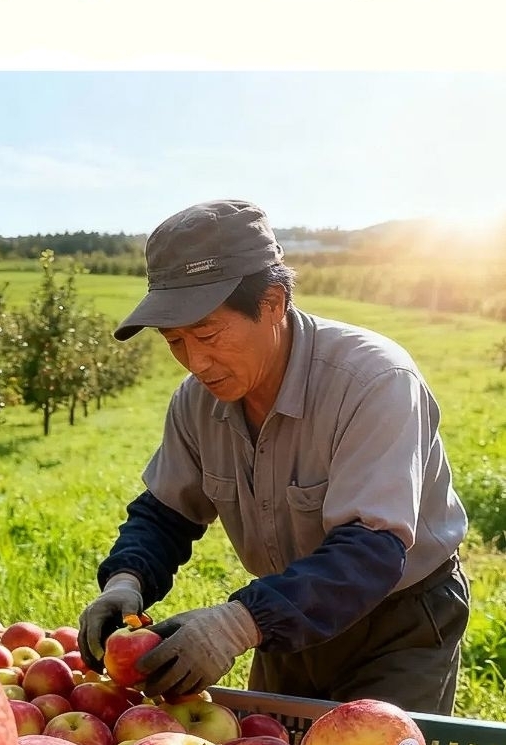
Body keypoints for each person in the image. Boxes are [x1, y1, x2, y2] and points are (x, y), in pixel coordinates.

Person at [78, 200, 469, 714]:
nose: (195, 361)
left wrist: (235, 623)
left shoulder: (375, 382)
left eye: (209, 334)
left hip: (398, 622)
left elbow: (371, 553)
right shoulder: (197, 401)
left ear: (272, 303)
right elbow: (166, 513)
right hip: (286, 617)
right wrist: (127, 581)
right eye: (175, 341)